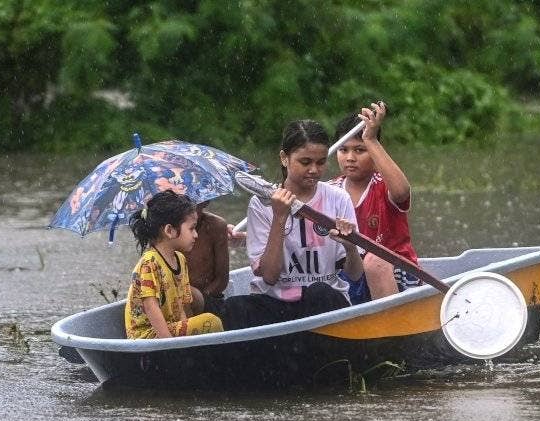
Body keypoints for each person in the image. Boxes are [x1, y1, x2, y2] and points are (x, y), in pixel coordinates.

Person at [221, 119, 364, 329]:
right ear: (284, 158)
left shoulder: (338, 198)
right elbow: (269, 277)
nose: (314, 170)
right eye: (305, 162)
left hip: (323, 303)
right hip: (277, 303)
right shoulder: (261, 205)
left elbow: (355, 274)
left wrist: (350, 247)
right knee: (233, 308)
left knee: (319, 292)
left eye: (321, 162)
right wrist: (279, 217)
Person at [330, 101, 419, 300]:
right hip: (351, 272)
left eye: (359, 150)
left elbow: (402, 192)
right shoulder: (330, 190)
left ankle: (390, 326)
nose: (350, 158)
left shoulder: (382, 185)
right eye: (343, 150)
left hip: (394, 273)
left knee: (375, 260)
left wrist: (370, 138)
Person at [124, 190, 224, 339]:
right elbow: (150, 307)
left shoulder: (180, 259)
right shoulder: (150, 263)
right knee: (211, 322)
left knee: (207, 323)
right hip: (147, 335)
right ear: (169, 230)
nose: (196, 235)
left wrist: (185, 337)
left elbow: (182, 305)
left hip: (170, 328)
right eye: (191, 229)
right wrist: (170, 345)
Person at [184, 200, 242, 316]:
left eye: (194, 205)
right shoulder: (168, 231)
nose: (189, 212)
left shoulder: (216, 226)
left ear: (205, 202)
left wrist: (200, 299)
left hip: (209, 299)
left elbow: (222, 279)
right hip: (176, 302)